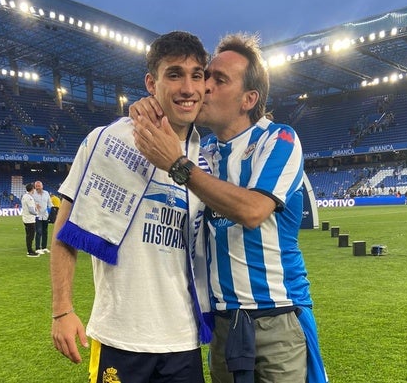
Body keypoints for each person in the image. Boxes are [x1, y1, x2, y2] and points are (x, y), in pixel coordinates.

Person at [131, 33, 328, 383]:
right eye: (207, 76)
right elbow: (167, 104)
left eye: (218, 80)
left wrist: (179, 166)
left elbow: (253, 211)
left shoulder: (279, 139)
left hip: (277, 317)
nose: (203, 87)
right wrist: (146, 106)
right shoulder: (201, 151)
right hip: (224, 322)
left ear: (248, 99)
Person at [50, 31, 212, 383]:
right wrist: (62, 309)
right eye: (174, 74)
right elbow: (65, 231)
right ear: (151, 83)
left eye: (196, 75)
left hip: (184, 340)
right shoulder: (106, 141)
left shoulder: (207, 163)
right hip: (121, 336)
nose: (188, 88)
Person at [33, 180, 53, 254]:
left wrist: (53, 210)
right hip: (37, 215)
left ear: (42, 186)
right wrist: (35, 205)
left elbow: (49, 203)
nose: (37, 187)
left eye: (39, 186)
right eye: (36, 186)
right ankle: (38, 248)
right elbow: (29, 202)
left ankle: (44, 247)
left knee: (45, 231)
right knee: (38, 231)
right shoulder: (33, 193)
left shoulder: (46, 193)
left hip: (45, 215)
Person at [21, 183, 39, 257]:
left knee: (28, 235)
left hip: (25, 218)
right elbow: (31, 210)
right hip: (30, 219)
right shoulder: (30, 198)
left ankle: (30, 250)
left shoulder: (24, 196)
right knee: (31, 236)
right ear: (32, 189)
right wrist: (37, 213)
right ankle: (30, 251)